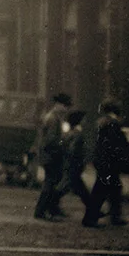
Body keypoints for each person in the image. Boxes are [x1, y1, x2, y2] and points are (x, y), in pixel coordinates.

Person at [84, 98, 129, 228]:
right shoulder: (112, 123)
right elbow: (116, 145)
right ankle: (91, 218)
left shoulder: (102, 123)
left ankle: (115, 216)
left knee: (114, 188)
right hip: (109, 163)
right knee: (101, 190)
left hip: (103, 161)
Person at [31, 92, 74, 221]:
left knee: (52, 182)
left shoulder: (54, 117)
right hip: (51, 156)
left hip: (50, 155)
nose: (67, 109)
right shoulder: (53, 119)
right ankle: (41, 211)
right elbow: (51, 140)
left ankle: (52, 209)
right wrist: (64, 142)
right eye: (65, 106)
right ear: (59, 105)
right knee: (50, 184)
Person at [61, 109, 95, 218]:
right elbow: (74, 149)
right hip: (75, 164)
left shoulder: (71, 132)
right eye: (83, 119)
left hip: (72, 164)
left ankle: (92, 209)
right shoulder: (77, 133)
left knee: (77, 188)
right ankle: (49, 203)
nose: (85, 121)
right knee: (70, 187)